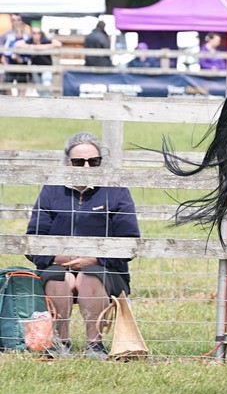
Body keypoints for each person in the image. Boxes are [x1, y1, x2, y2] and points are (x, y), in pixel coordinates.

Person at [25, 132, 140, 359]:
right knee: (60, 276)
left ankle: (94, 345)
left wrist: (95, 259)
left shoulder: (117, 191)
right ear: (68, 162)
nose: (86, 167)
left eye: (93, 162)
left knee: (89, 275)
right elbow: (34, 239)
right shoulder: (51, 191)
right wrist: (59, 258)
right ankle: (61, 342)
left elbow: (129, 241)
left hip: (106, 268)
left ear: (100, 163)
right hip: (58, 264)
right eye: (79, 162)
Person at [2, 15, 31, 83]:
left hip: (23, 63)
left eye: (18, 20)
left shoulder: (27, 35)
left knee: (22, 84)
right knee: (8, 84)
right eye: (14, 20)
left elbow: (30, 48)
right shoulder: (6, 35)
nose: (16, 22)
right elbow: (3, 50)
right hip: (10, 62)